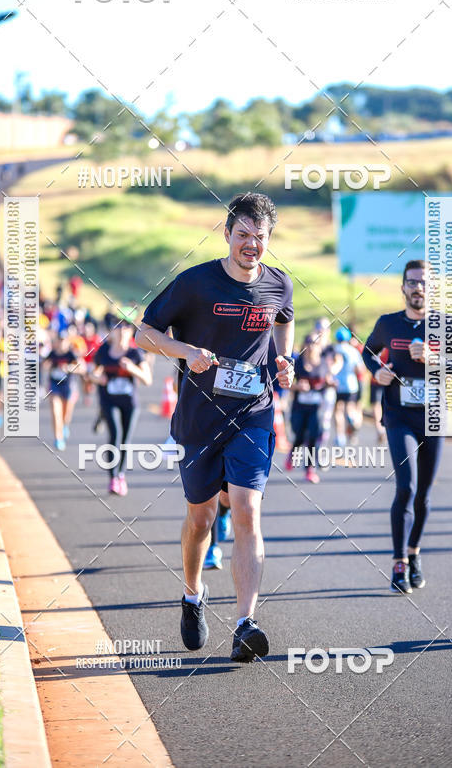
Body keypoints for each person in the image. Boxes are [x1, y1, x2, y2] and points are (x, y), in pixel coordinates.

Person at [136, 192, 294, 663]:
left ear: (269, 240)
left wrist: (282, 358)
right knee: (201, 518)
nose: (251, 245)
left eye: (259, 237)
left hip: (254, 411)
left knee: (246, 509)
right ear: (226, 233)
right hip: (198, 420)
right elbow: (143, 333)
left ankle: (246, 623)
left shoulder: (279, 284)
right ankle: (192, 593)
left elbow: (284, 318)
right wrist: (187, 353)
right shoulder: (195, 284)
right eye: (242, 234)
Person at [363, 260, 452, 594]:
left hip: (436, 416)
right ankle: (399, 563)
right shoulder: (388, 324)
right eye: (412, 282)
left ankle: (414, 553)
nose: (418, 288)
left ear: (432, 288)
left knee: (424, 493)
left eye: (424, 283)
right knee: (407, 487)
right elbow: (368, 351)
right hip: (399, 416)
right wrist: (376, 370)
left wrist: (434, 358)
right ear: (402, 287)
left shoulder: (447, 325)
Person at [93, 322, 152, 495]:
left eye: (125, 328)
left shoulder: (135, 353)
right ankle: (112, 478)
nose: (121, 331)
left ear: (130, 332)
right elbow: (93, 372)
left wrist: (132, 369)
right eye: (117, 328)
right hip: (108, 400)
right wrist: (98, 378)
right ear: (112, 332)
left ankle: (121, 476)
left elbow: (147, 380)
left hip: (129, 403)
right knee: (115, 435)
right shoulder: (104, 351)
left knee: (125, 440)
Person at [285, 333, 333, 483]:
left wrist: (331, 383)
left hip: (316, 406)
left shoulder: (324, 363)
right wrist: (298, 386)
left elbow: (328, 379)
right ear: (305, 346)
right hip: (299, 406)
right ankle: (293, 452)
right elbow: (287, 383)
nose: (312, 346)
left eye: (315, 343)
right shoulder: (297, 363)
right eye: (309, 343)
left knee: (313, 436)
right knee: (299, 435)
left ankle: (310, 469)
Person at [43, 333, 85, 450]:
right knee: (56, 413)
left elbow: (82, 368)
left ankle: (65, 425)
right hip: (55, 386)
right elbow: (44, 365)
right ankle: (58, 438)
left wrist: (69, 368)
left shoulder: (71, 354)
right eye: (59, 340)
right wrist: (46, 365)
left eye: (63, 341)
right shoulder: (52, 354)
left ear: (67, 342)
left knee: (65, 415)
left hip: (68, 386)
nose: (61, 343)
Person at [331, 327, 363, 447]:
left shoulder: (334, 349)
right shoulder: (353, 351)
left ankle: (340, 437)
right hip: (351, 384)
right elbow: (359, 369)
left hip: (337, 384)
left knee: (338, 411)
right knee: (350, 408)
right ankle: (352, 422)